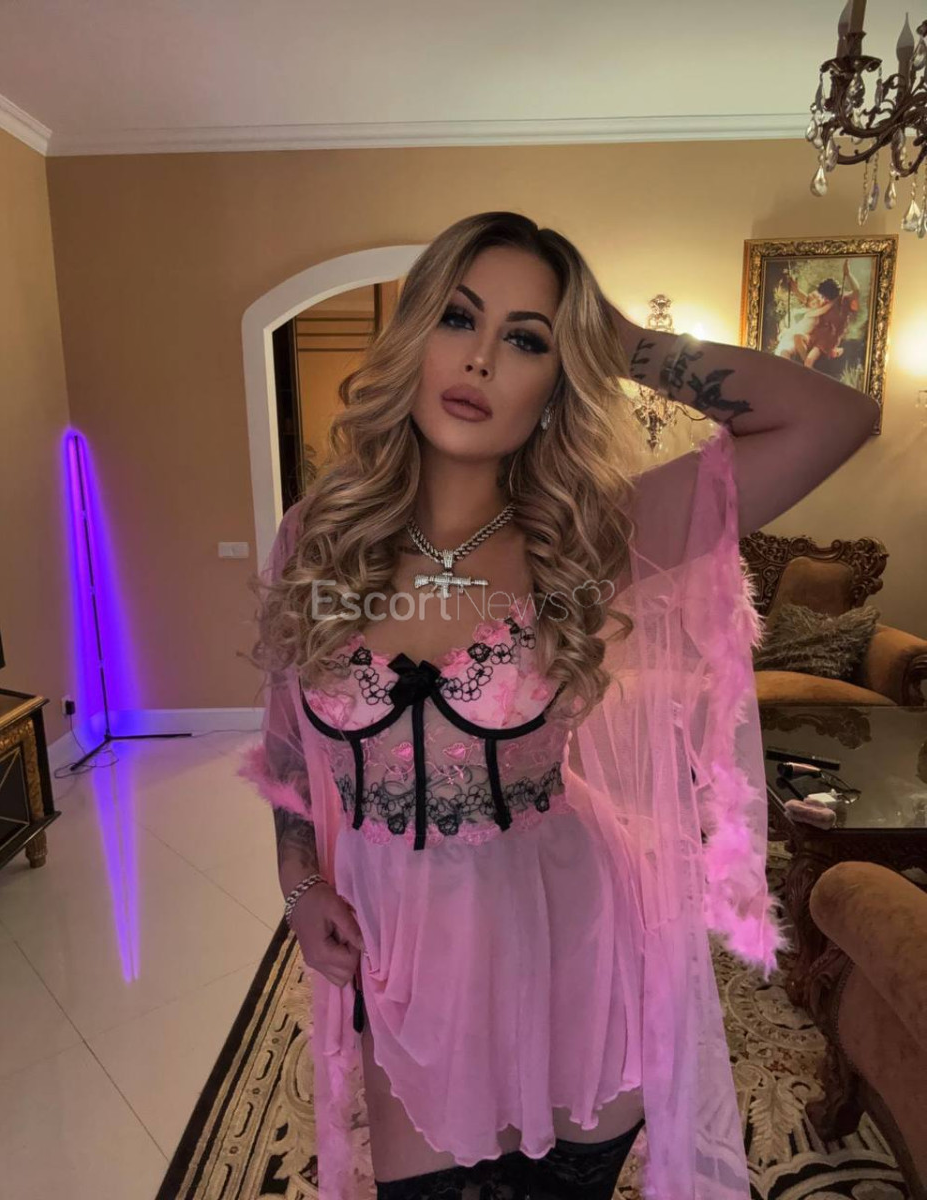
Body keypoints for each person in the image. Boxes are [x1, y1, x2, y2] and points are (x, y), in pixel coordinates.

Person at [238, 212, 877, 1200]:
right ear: (415, 336)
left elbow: (835, 418)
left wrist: (620, 340)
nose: (482, 360)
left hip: (571, 942)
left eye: (527, 339)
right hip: (406, 957)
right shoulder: (316, 540)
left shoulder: (590, 538)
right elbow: (286, 745)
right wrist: (298, 884)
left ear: (558, 376)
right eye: (459, 319)